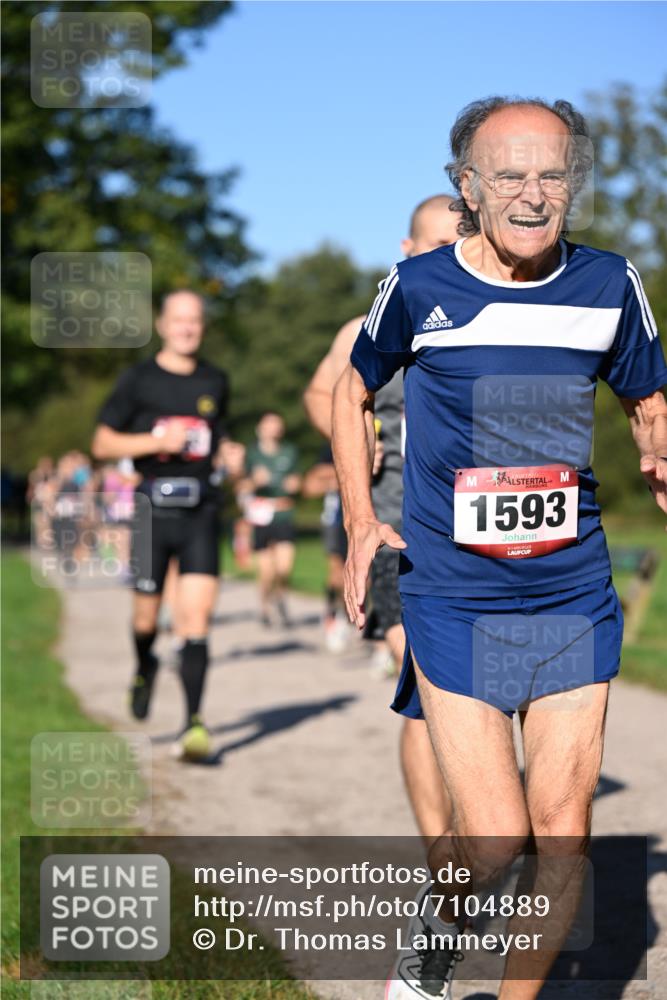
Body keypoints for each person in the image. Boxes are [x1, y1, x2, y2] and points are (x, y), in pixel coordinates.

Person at [333, 97, 667, 1000]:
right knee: (491, 836)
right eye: (509, 175)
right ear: (467, 189)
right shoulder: (419, 289)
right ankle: (426, 961)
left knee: (560, 833)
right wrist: (361, 519)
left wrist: (653, 440)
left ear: (574, 184)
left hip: (568, 590)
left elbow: (647, 390)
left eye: (551, 174)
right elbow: (348, 391)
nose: (531, 194)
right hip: (453, 591)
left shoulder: (610, 285)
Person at [304, 194, 461, 844]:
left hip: (476, 538)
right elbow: (323, 391)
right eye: (433, 247)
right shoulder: (368, 322)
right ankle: (443, 861)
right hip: (396, 528)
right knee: (428, 694)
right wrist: (353, 439)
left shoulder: (492, 317)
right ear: (406, 251)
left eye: (459, 245)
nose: (446, 259)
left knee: (479, 700)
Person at [92, 290, 244, 761]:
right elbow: (101, 442)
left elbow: (220, 441)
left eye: (195, 321)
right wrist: (155, 439)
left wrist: (231, 457)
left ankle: (194, 725)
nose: (187, 328)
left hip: (200, 512)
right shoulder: (138, 380)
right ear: (162, 325)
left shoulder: (215, 380)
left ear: (202, 326)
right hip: (150, 513)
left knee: (195, 621)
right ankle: (144, 665)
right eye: (179, 320)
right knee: (145, 619)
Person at [242, 412, 301, 627]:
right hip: (261, 514)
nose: (274, 428)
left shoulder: (289, 451)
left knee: (284, 567)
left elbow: (297, 481)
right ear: (260, 428)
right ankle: (265, 605)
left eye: (278, 424)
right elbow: (241, 487)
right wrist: (254, 482)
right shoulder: (252, 453)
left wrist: (295, 484)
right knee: (266, 571)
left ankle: (280, 596)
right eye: (269, 424)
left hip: (284, 512)